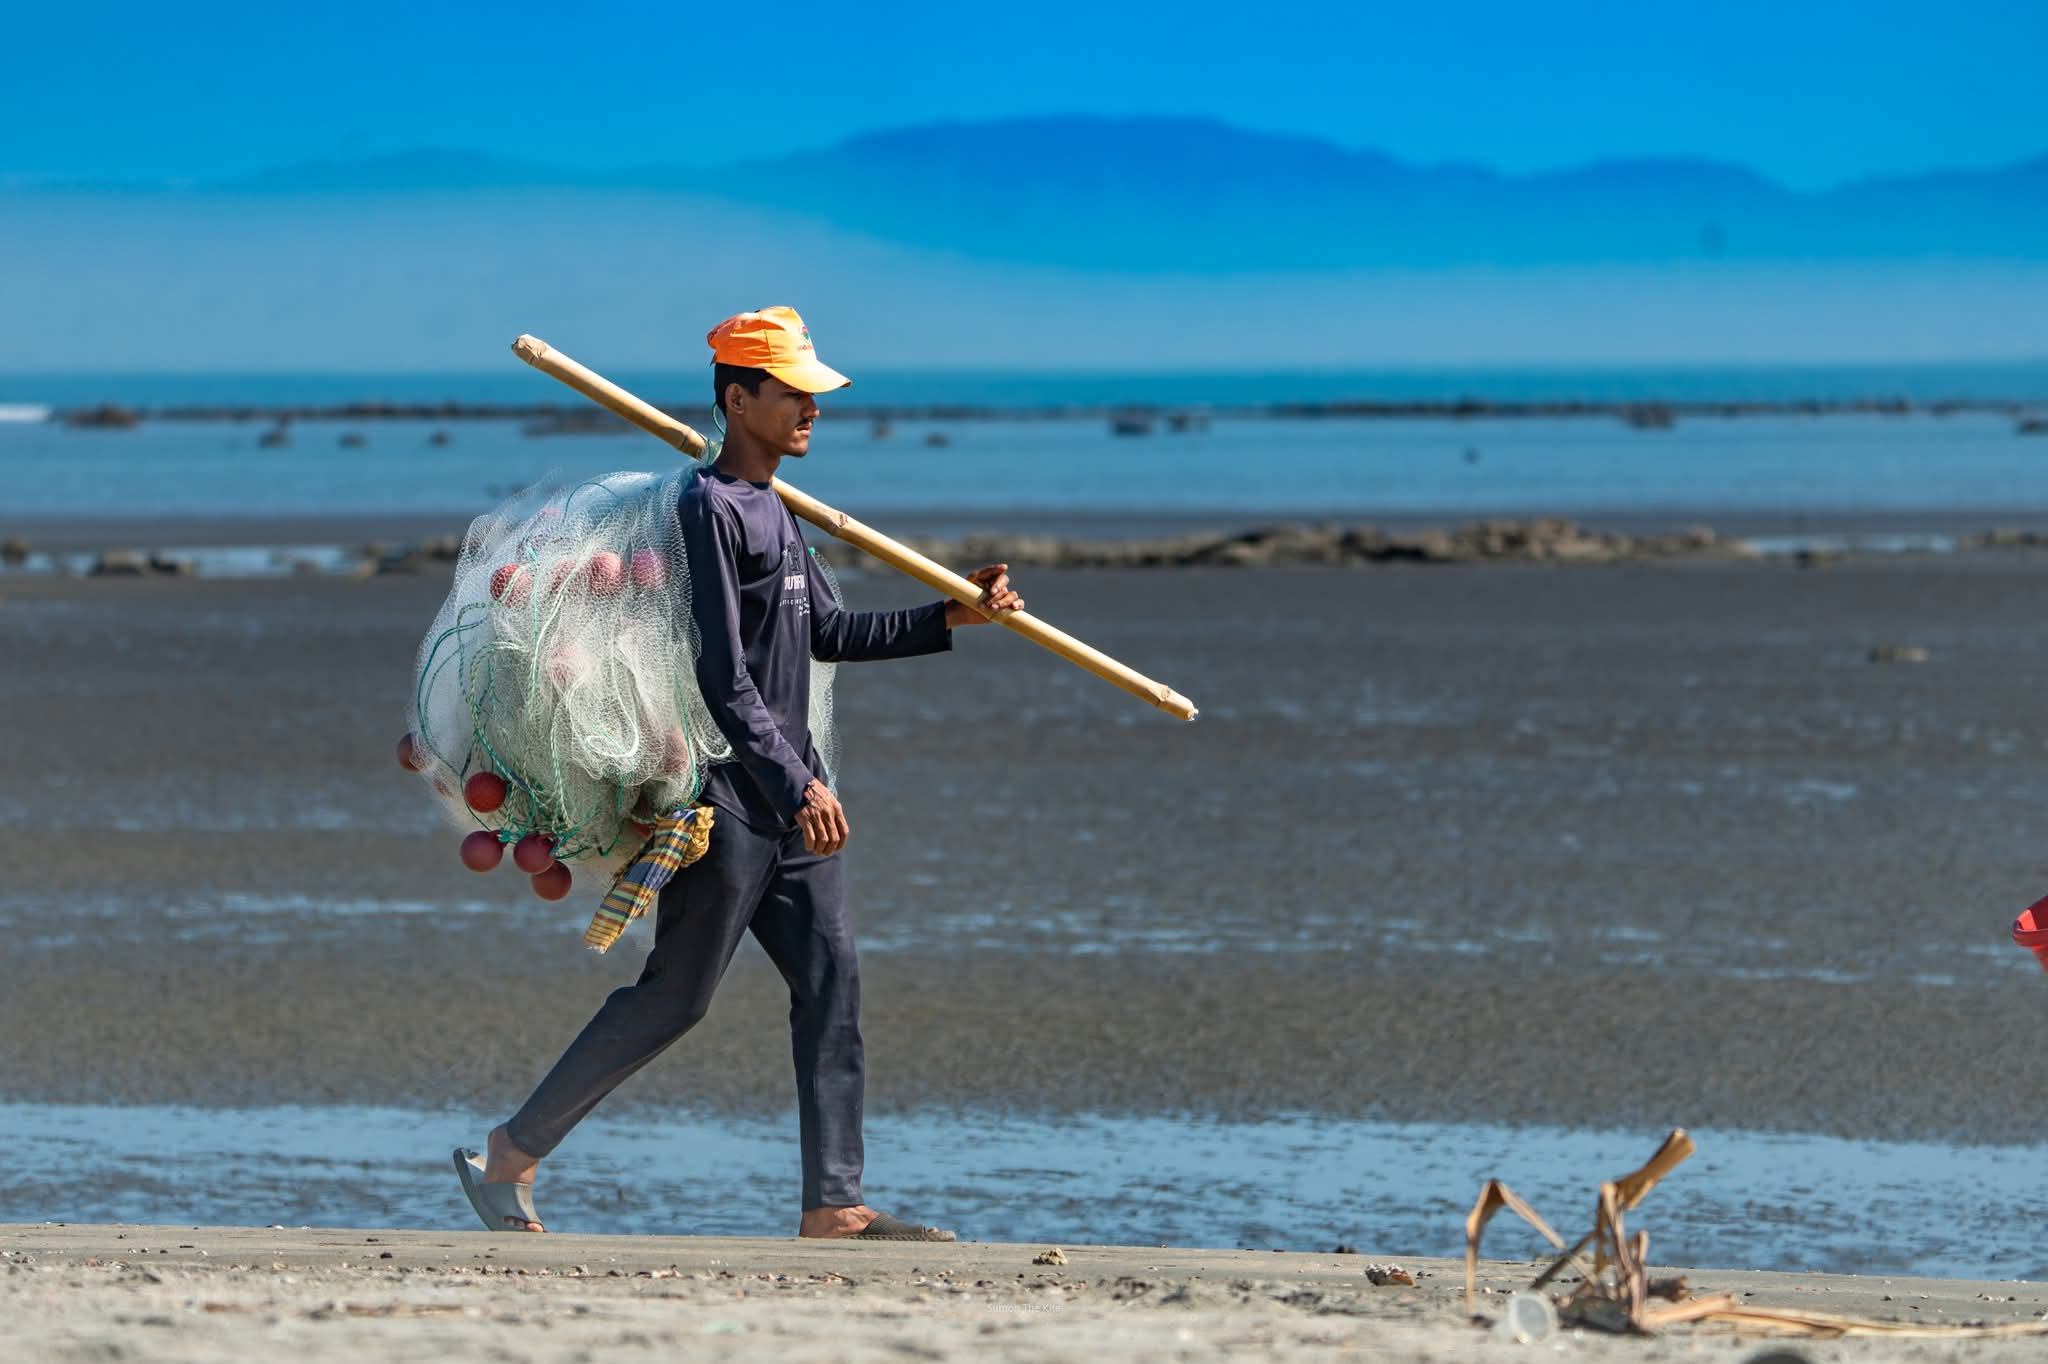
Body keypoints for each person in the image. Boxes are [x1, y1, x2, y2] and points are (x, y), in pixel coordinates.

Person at [457, 307, 1022, 1240]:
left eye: (813, 393)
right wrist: (797, 782)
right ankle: (509, 1155)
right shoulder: (708, 511)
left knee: (832, 982)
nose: (810, 408)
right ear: (737, 398)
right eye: (792, 392)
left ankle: (834, 1203)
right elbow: (723, 679)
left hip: (798, 807)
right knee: (676, 997)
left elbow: (825, 636)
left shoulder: (782, 514)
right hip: (729, 802)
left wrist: (951, 616)